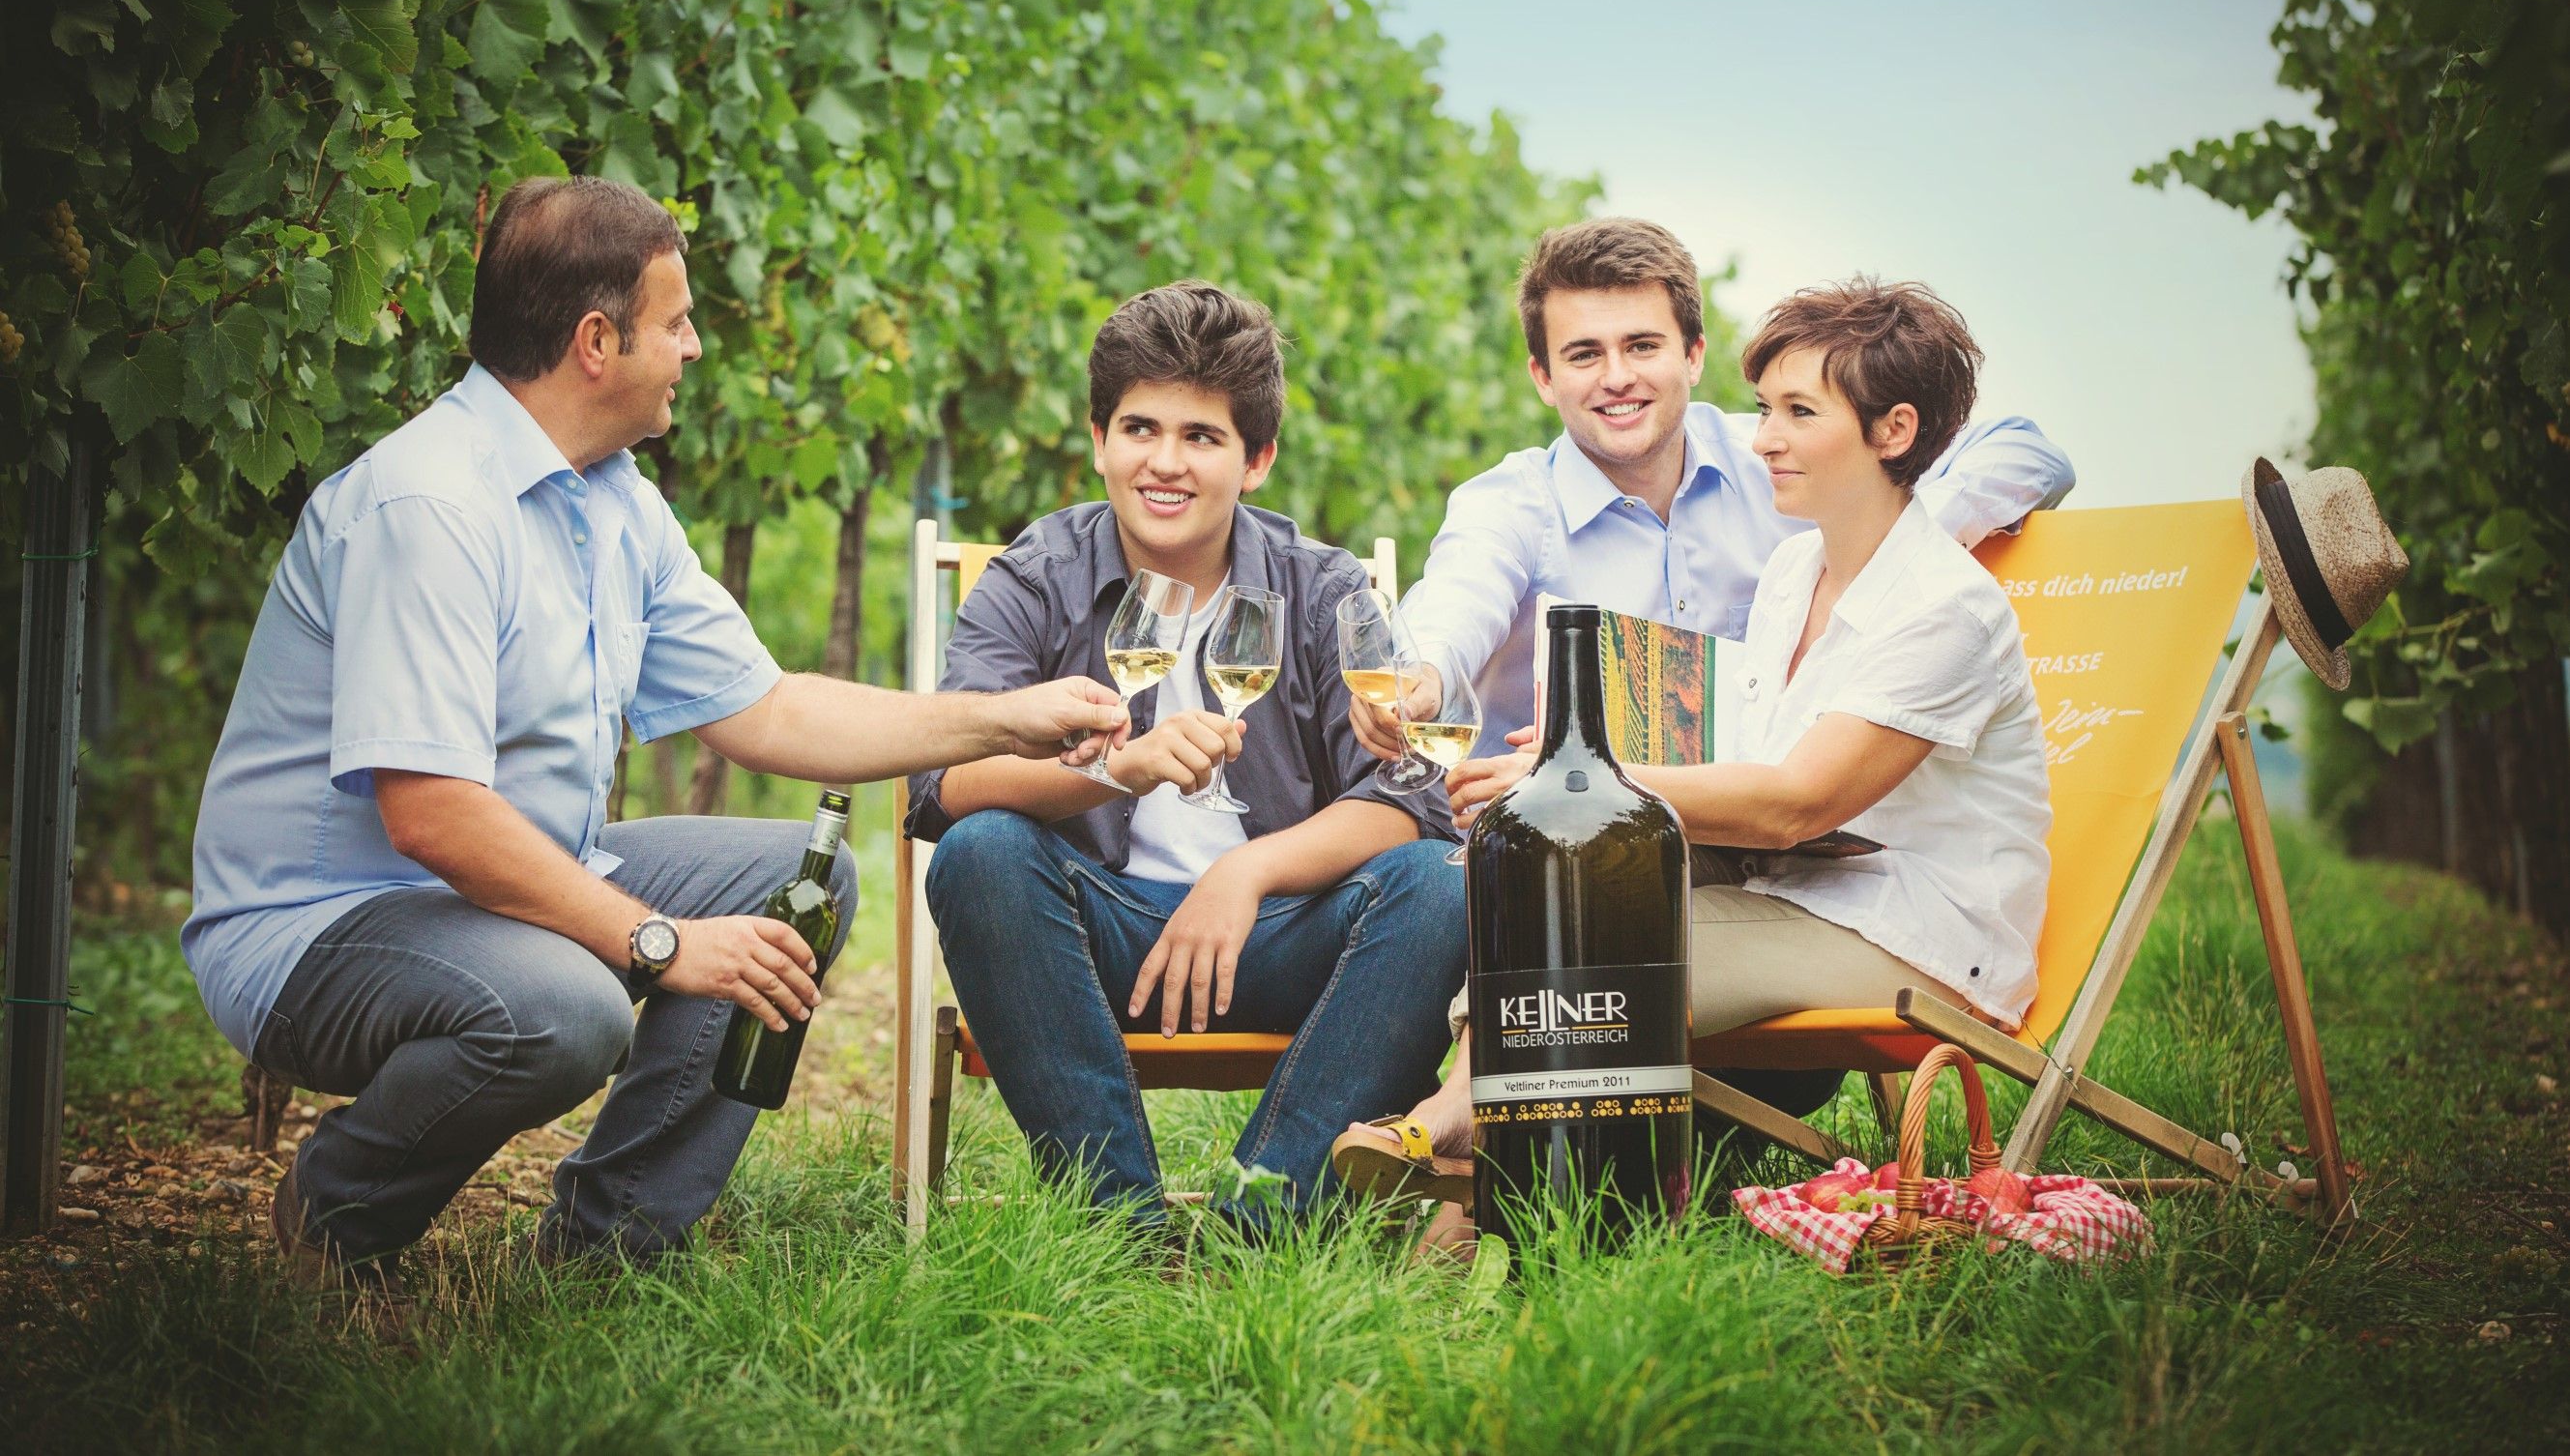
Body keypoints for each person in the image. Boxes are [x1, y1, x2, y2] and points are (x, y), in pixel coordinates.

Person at [185, 176, 1126, 1297]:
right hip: (320, 928)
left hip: (501, 890)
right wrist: (665, 941)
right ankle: (336, 1215)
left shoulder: (613, 498)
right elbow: (433, 815)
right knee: (568, 1009)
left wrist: (1006, 717)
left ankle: (613, 1244)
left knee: (801, 877)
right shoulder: (429, 505)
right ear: (597, 341)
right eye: (676, 321)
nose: (694, 347)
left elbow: (770, 708)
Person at [1336, 277, 2054, 1225]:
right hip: (1804, 883)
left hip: (1918, 929)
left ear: (1894, 431)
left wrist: (1578, 779)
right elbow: (1752, 759)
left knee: (1597, 946)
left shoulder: (1946, 608)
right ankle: (1477, 1162)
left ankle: (1460, 1144)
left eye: (1799, 413)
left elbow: (1796, 803)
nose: (1764, 440)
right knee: (1558, 876)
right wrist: (1573, 783)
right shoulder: (1798, 567)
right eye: (1766, 409)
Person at [906, 281, 1462, 1233]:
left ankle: (1260, 1226)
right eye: (1140, 428)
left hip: (1284, 937)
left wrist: (1246, 874)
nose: (1164, 463)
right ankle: (1120, 1229)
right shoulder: (1037, 576)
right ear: (1099, 439)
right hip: (1094, 941)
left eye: (1201, 436)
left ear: (1257, 459)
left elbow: (1408, 803)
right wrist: (1115, 770)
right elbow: (947, 781)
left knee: (1442, 884)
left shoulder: (1324, 588)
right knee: (981, 853)